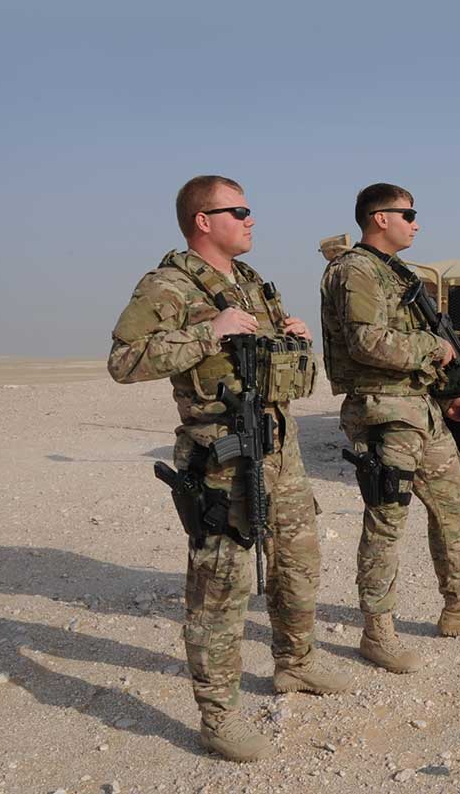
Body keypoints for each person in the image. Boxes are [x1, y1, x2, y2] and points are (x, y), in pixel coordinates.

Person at [108, 175, 351, 762]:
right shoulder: (168, 285)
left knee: (299, 558)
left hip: (277, 445)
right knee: (221, 582)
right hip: (222, 454)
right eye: (237, 210)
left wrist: (292, 338)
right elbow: (123, 360)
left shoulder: (250, 284)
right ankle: (218, 716)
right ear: (202, 220)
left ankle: (295, 662)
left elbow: (278, 367)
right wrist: (204, 333)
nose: (250, 219)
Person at [320, 183, 460, 674]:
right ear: (379, 218)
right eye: (408, 213)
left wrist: (446, 393)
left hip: (416, 408)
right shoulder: (355, 271)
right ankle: (377, 631)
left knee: (452, 509)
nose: (416, 223)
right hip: (383, 411)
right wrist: (435, 350)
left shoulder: (396, 273)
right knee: (388, 519)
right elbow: (367, 344)